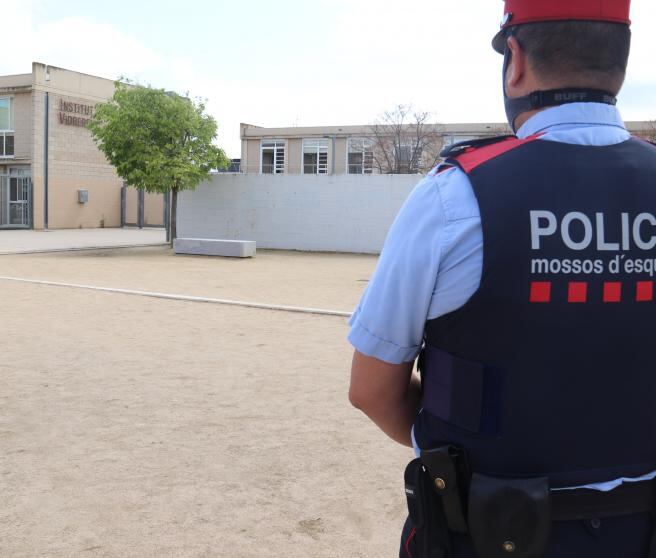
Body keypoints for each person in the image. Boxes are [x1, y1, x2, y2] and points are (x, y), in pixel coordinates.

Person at [348, 1, 656, 556]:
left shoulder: (456, 195)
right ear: (621, 64)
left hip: (487, 532)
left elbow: (371, 390)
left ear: (514, 59)